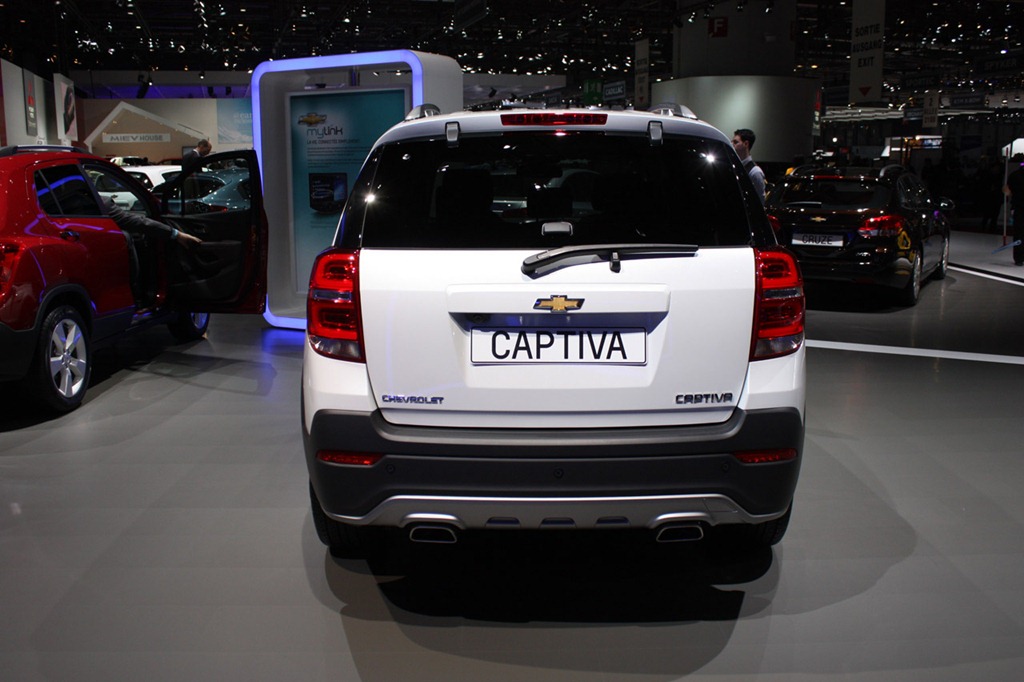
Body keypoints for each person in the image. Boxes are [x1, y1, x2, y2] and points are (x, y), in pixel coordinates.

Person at [101, 196, 202, 304]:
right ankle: (136, 299)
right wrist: (177, 235)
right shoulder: (101, 202)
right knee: (126, 237)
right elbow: (133, 221)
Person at [733, 128, 766, 204]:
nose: (732, 145)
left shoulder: (755, 172)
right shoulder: (735, 167)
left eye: (736, 142)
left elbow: (760, 202)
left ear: (746, 144)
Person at [1003, 153, 1024, 266]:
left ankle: (1019, 258)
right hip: (1019, 207)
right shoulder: (1015, 175)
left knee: (1019, 233)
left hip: (1018, 207)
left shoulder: (1014, 175)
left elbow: (1006, 191)